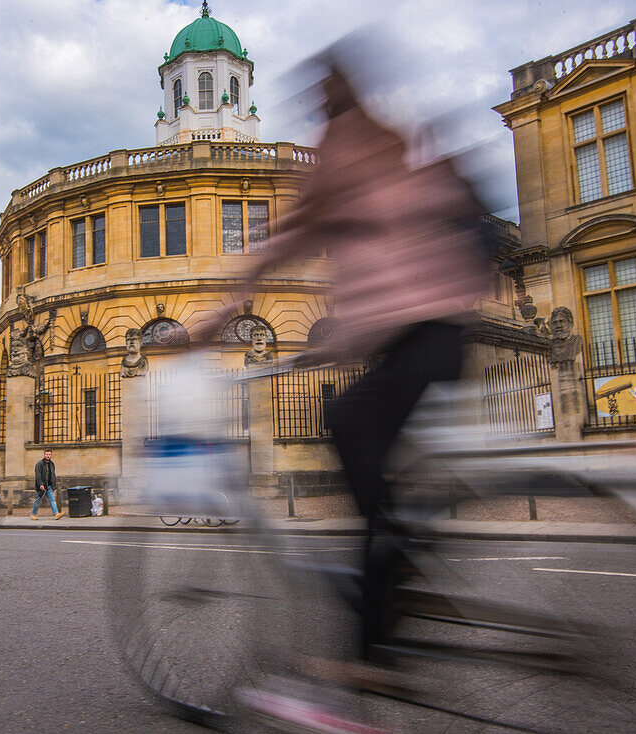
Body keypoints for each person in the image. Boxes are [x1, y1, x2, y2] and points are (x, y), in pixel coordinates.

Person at [205, 66, 489, 675]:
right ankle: (396, 579)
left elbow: (284, 242)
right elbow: (390, 263)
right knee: (382, 475)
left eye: (322, 95)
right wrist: (329, 345)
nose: (319, 105)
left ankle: (379, 635)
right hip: (436, 332)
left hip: (420, 333)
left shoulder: (344, 154)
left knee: (350, 431)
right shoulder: (391, 146)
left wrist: (218, 316)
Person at [31, 449, 63, 520]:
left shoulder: (52, 464)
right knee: (38, 500)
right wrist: (40, 484)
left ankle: (56, 513)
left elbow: (53, 475)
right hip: (42, 486)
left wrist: (53, 485)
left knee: (52, 499)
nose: (48, 456)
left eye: (49, 454)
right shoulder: (39, 464)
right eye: (47, 454)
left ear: (51, 455)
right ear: (44, 455)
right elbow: (38, 475)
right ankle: (33, 514)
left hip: (49, 486)